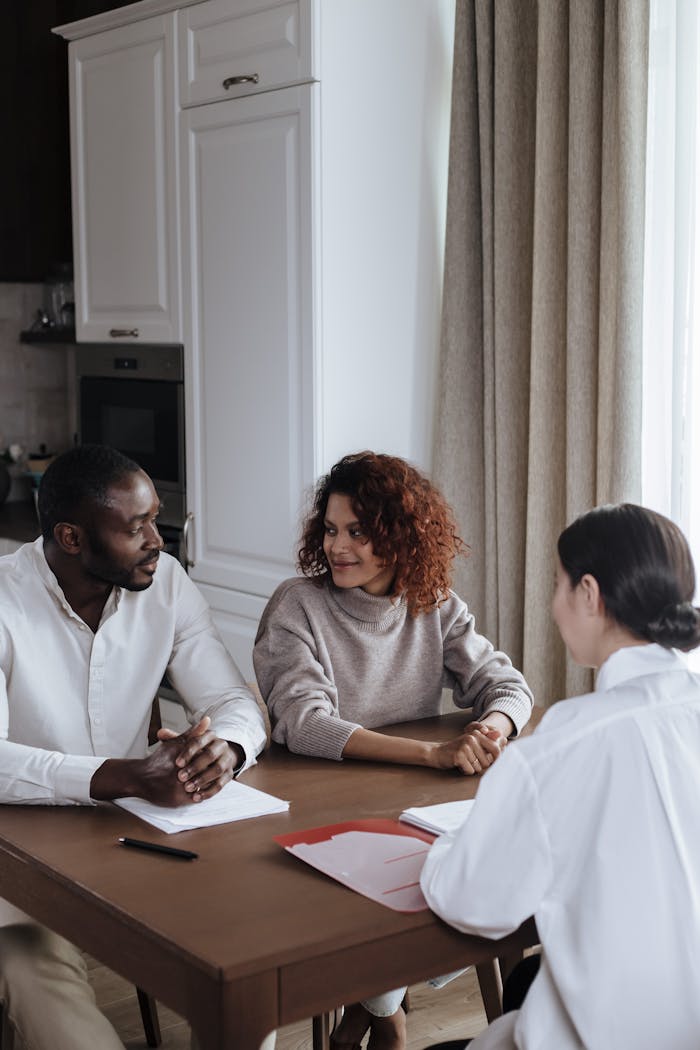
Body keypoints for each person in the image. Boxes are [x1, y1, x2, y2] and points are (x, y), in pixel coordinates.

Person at [253, 451, 533, 1050]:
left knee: (493, 870)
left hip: (409, 806)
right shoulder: (297, 605)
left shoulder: (435, 605)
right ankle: (385, 1011)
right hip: (316, 811)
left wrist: (492, 731)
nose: (338, 547)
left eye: (358, 531)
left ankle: (378, 1007)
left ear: (398, 536)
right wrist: (432, 757)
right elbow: (304, 724)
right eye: (330, 530)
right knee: (407, 881)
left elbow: (509, 688)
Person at [0, 444, 268, 1050]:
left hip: (134, 838)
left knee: (250, 945)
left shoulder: (167, 586)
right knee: (30, 965)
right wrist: (127, 776)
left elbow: (233, 700)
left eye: (156, 519)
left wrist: (226, 748)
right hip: (12, 852)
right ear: (71, 537)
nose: (158, 541)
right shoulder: (3, 600)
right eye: (136, 527)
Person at [420, 503, 700, 1050]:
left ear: (589, 594)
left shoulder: (564, 742)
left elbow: (471, 900)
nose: (551, 605)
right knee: (528, 981)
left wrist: (452, 841)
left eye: (557, 584)